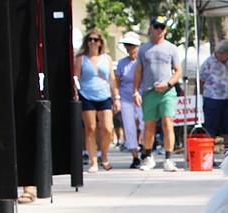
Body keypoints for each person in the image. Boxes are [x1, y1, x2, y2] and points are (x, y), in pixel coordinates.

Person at [133, 16, 182, 172]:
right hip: (149, 91)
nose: (159, 30)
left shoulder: (171, 48)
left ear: (165, 29)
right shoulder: (143, 49)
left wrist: (168, 84)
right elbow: (138, 72)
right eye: (157, 26)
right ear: (151, 28)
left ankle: (168, 159)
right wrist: (135, 91)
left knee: (168, 123)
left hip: (167, 91)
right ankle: (148, 157)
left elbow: (178, 71)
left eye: (162, 27)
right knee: (149, 126)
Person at [73, 29, 118, 173]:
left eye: (95, 40)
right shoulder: (81, 58)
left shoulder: (107, 58)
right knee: (90, 129)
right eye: (90, 39)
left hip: (104, 95)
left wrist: (116, 97)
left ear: (100, 42)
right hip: (87, 95)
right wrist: (76, 93)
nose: (92, 42)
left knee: (107, 128)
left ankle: (103, 155)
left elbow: (112, 79)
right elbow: (76, 78)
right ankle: (93, 161)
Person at [114, 31, 146, 169]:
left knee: (145, 125)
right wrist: (116, 98)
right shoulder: (122, 63)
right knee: (129, 127)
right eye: (127, 45)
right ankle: (135, 156)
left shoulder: (143, 62)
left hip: (142, 97)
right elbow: (116, 82)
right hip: (126, 98)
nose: (130, 48)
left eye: (132, 45)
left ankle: (146, 151)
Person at [199, 39, 228, 151]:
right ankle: (207, 155)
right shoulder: (208, 63)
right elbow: (201, 80)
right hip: (212, 99)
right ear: (222, 53)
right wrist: (202, 95)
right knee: (211, 128)